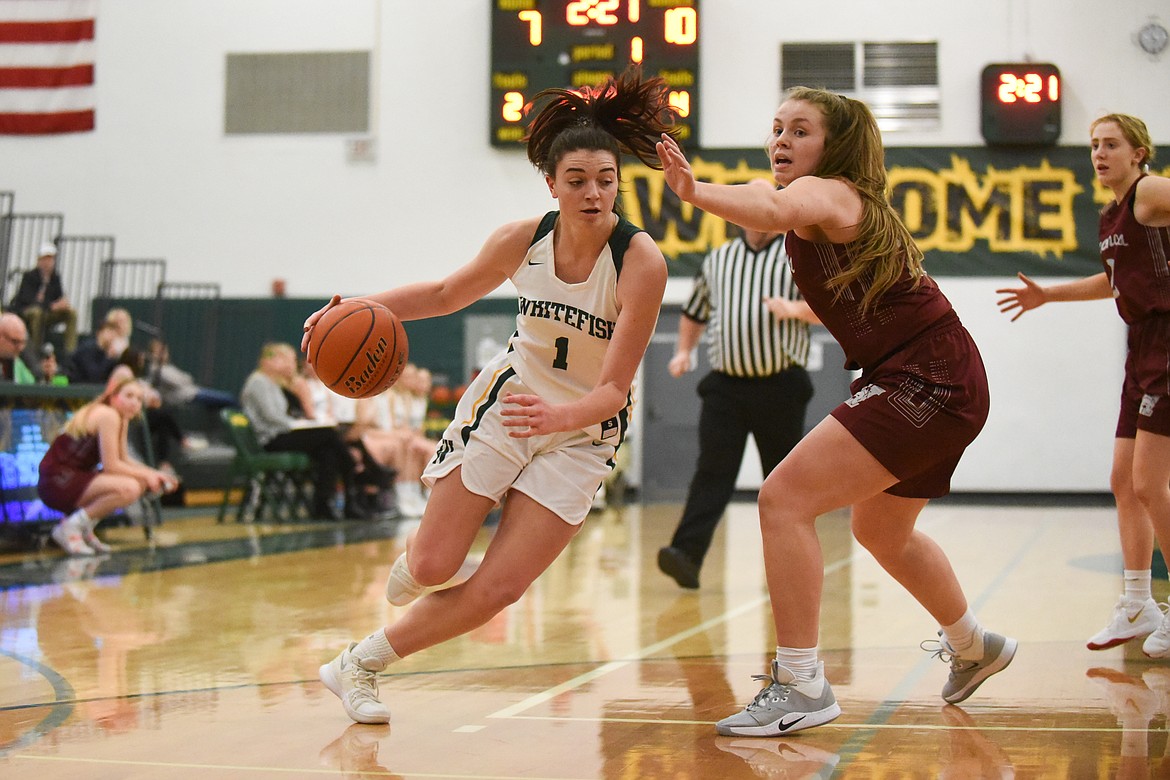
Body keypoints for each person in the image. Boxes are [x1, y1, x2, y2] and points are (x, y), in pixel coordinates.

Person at [303, 67, 677, 725]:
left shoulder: (640, 263)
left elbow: (616, 387)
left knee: (500, 589)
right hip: (509, 405)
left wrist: (561, 417)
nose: (593, 194)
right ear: (552, 185)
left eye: (606, 181)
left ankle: (358, 665)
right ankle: (420, 559)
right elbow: (446, 295)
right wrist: (358, 304)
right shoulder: (521, 240)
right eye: (577, 181)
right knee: (433, 562)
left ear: (618, 183)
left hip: (584, 431)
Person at [655, 86, 1017, 736]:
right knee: (881, 532)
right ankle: (974, 645)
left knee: (782, 500)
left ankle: (801, 683)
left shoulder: (830, 191)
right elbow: (766, 197)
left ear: (834, 147)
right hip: (939, 376)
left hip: (925, 377)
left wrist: (692, 189)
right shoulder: (834, 203)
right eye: (776, 129)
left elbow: (767, 202)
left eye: (800, 131)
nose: (781, 142)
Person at [996, 113, 1170, 657]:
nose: (1099, 153)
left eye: (1111, 144)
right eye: (1094, 144)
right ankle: (1138, 603)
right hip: (1139, 348)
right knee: (1123, 480)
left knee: (1148, 483)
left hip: (1167, 346)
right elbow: (1116, 281)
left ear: (1139, 152)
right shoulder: (1112, 214)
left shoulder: (1149, 192)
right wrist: (1049, 296)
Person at [657, 198, 818, 589]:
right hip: (726, 388)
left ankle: (789, 565)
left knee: (781, 482)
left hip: (780, 386)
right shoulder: (718, 260)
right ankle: (686, 555)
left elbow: (828, 308)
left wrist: (794, 311)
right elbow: (695, 311)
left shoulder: (795, 256)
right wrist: (683, 350)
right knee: (712, 471)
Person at [38, 367, 179, 555]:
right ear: (113, 395)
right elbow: (111, 465)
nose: (134, 403)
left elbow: (124, 459)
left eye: (139, 399)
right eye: (129, 396)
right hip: (57, 483)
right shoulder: (108, 415)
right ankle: (70, 528)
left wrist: (153, 474)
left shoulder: (120, 417)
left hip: (68, 479)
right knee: (129, 487)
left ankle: (83, 528)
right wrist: (149, 475)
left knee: (138, 482)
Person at [239, 342, 368, 520]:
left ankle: (325, 505)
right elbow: (272, 417)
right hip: (271, 439)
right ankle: (351, 473)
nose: (289, 364)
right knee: (329, 435)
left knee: (327, 452)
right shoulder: (258, 382)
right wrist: (298, 423)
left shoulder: (274, 384)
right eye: (285, 359)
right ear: (268, 360)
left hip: (281, 433)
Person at [8, 241, 78, 358]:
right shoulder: (29, 276)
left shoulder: (55, 278)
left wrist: (62, 304)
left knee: (71, 313)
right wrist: (51, 306)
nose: (48, 263)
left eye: (51, 259)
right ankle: (35, 351)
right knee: (37, 313)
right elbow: (28, 300)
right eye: (45, 259)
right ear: (39, 260)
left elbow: (58, 297)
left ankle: (70, 352)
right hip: (29, 312)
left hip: (48, 313)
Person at [0, 313, 36, 383]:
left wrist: (47, 377)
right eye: (15, 342)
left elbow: (31, 387)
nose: (20, 348)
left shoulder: (18, 363)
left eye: (23, 342)